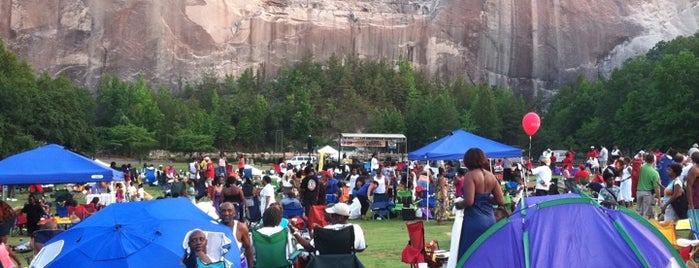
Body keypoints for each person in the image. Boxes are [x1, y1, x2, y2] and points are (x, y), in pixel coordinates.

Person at [453, 148, 505, 259]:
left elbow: (469, 201)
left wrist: (458, 205)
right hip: (490, 219)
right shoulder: (491, 176)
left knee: (469, 254)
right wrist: (486, 198)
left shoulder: (470, 176)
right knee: (487, 255)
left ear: (468, 161)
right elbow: (501, 201)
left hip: (474, 219)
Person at [291, 202, 367, 253]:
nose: (331, 216)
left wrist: (295, 233)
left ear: (340, 217)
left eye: (333, 215)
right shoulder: (356, 228)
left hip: (326, 264)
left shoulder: (325, 230)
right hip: (348, 263)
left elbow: (310, 247)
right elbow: (361, 248)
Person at [218, 202, 254, 268]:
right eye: (223, 211)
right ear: (219, 213)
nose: (226, 213)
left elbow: (248, 249)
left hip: (239, 264)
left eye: (229, 211)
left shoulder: (241, 228)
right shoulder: (215, 227)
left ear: (234, 213)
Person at [636, 153, 660, 219]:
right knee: (645, 213)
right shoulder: (654, 172)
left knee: (638, 211)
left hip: (639, 191)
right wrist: (659, 199)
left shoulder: (641, 168)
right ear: (653, 160)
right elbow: (656, 188)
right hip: (647, 193)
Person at [686, 152, 699, 230]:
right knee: (696, 224)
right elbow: (689, 186)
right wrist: (691, 203)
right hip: (696, 200)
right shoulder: (694, 170)